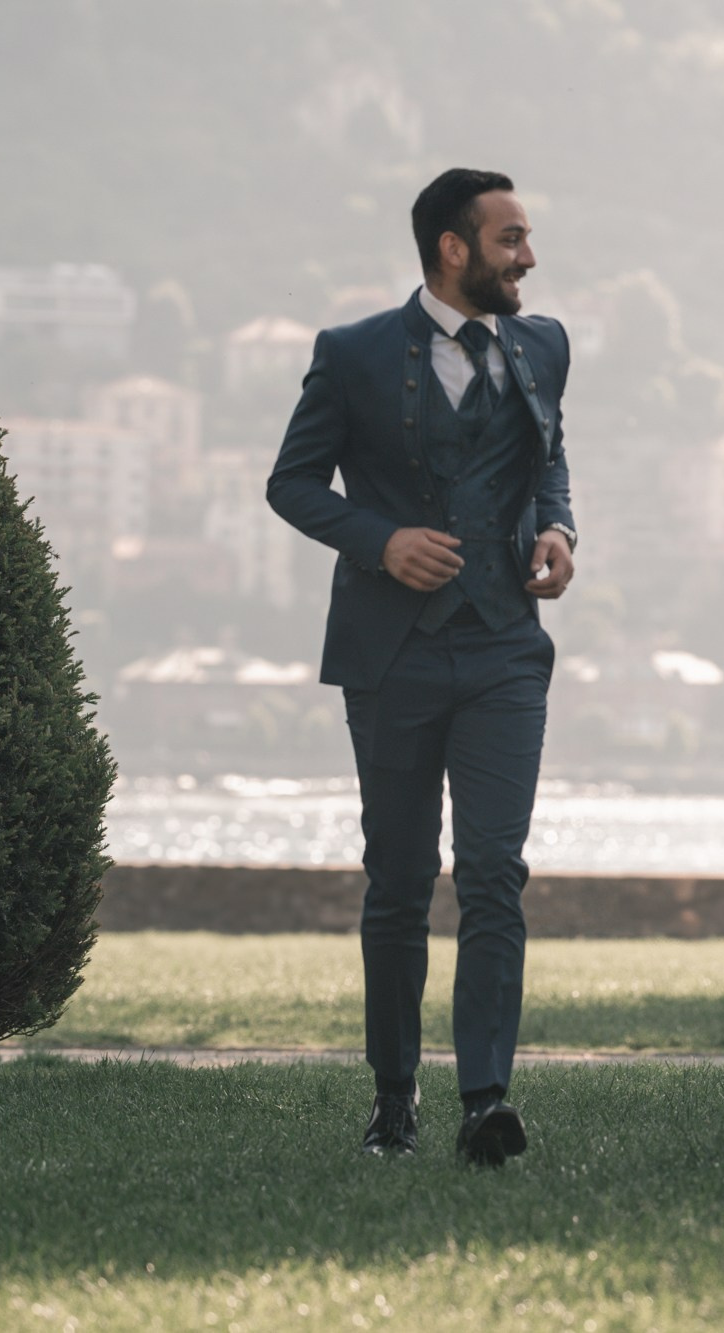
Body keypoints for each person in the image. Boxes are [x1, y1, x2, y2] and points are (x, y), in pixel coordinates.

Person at [266, 168, 576, 1165]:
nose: (527, 257)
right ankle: (392, 1097)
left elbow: (548, 455)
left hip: (503, 650)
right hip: (391, 653)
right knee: (399, 880)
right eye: (510, 239)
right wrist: (380, 539)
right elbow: (291, 483)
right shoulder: (352, 353)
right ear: (454, 247)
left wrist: (560, 526)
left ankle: (485, 1099)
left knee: (493, 872)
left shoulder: (543, 344)